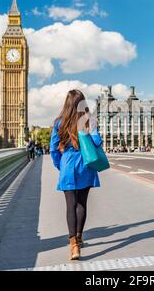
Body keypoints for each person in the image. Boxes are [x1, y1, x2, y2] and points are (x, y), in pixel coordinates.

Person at [50, 90, 103, 261]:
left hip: (68, 165)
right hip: (85, 165)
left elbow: (53, 149)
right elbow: (97, 142)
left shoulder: (59, 122)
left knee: (70, 206)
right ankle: (79, 238)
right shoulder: (88, 120)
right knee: (82, 204)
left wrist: (61, 166)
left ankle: (73, 245)